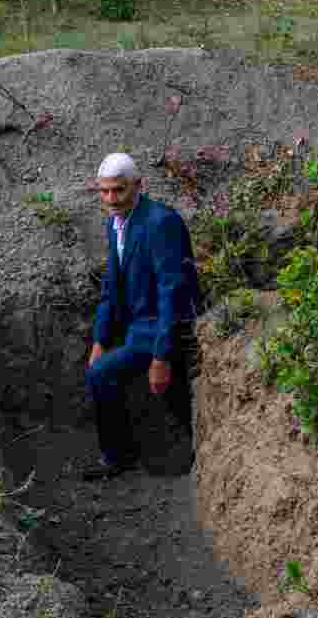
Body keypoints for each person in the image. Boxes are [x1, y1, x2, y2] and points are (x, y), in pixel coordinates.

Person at [83, 152, 202, 481]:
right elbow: (111, 285)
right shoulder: (116, 223)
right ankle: (130, 451)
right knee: (98, 368)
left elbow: (172, 292)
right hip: (138, 323)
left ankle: (118, 458)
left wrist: (161, 357)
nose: (111, 199)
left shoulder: (160, 223)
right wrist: (99, 340)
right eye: (104, 191)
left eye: (119, 190)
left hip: (164, 326)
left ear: (139, 185)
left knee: (102, 375)